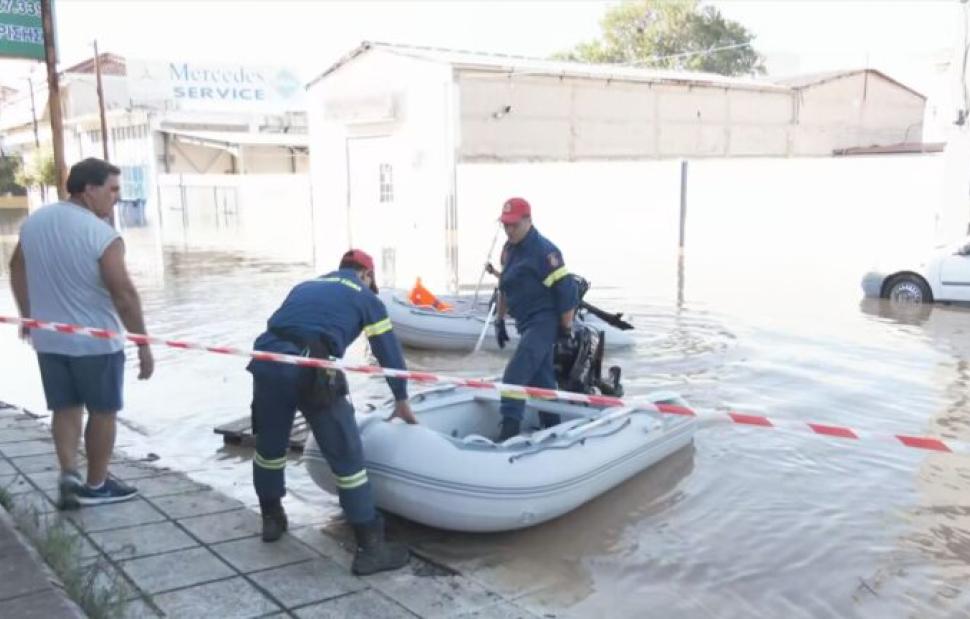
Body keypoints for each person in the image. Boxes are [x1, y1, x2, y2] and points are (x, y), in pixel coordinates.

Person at [248, 248, 416, 576]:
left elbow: (285, 323)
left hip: (267, 360)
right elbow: (387, 350)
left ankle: (272, 518)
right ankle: (370, 548)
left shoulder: (305, 286)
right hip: (312, 367)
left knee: (269, 448)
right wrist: (401, 398)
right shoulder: (366, 297)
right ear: (366, 275)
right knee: (347, 456)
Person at [8, 157, 154, 509]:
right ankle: (96, 484)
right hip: (96, 343)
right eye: (112, 189)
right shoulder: (102, 235)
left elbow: (16, 267)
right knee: (103, 412)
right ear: (89, 189)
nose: (116, 197)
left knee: (65, 408)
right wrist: (143, 343)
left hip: (50, 339)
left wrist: (28, 317)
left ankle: (69, 475)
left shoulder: (35, 222)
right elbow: (123, 294)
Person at [493, 197, 578, 440]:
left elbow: (567, 292)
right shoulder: (509, 250)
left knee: (514, 376)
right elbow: (505, 286)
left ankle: (508, 434)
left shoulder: (546, 252)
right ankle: (552, 428)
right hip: (525, 323)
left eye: (514, 225)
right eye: (505, 225)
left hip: (544, 322)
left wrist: (566, 329)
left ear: (528, 221)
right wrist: (499, 320)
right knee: (542, 381)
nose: (509, 230)